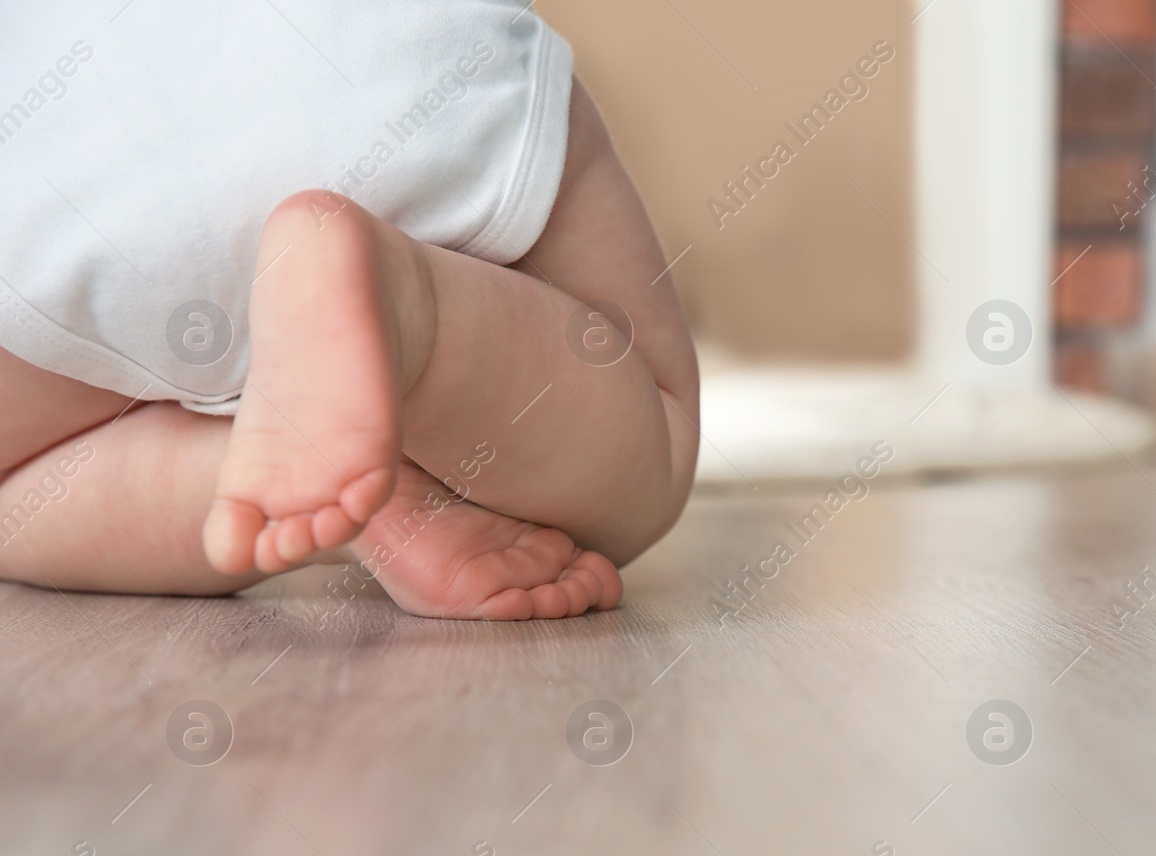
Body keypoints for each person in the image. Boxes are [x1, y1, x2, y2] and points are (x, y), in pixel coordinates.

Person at [0, 4, 698, 619]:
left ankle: (317, 466)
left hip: (63, 141)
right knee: (654, 430)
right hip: (398, 63)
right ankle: (404, 305)